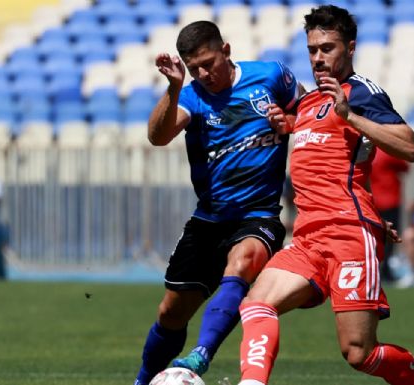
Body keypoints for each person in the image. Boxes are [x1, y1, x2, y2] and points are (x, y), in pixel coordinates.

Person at [236, 6, 414, 385]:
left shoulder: (361, 93)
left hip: (348, 238)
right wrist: (287, 123)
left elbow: (408, 146)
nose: (318, 58)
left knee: (359, 352)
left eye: (327, 48)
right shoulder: (308, 103)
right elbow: (330, 160)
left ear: (350, 47)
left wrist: (350, 116)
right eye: (312, 49)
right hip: (308, 238)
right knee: (257, 304)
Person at [133, 21, 302, 385]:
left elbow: (310, 116)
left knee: (243, 263)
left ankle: (200, 355)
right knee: (170, 314)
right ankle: (143, 381)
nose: (204, 74)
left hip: (259, 214)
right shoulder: (191, 94)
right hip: (209, 219)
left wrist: (289, 120)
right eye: (195, 68)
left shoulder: (272, 77)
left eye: (209, 63)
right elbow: (158, 136)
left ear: (226, 50)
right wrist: (175, 87)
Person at [369, 147, 409, 282]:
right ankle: (385, 270)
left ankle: (376, 269)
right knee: (390, 238)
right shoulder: (387, 152)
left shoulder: (369, 152)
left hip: (374, 201)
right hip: (390, 200)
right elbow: (405, 167)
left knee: (376, 238)